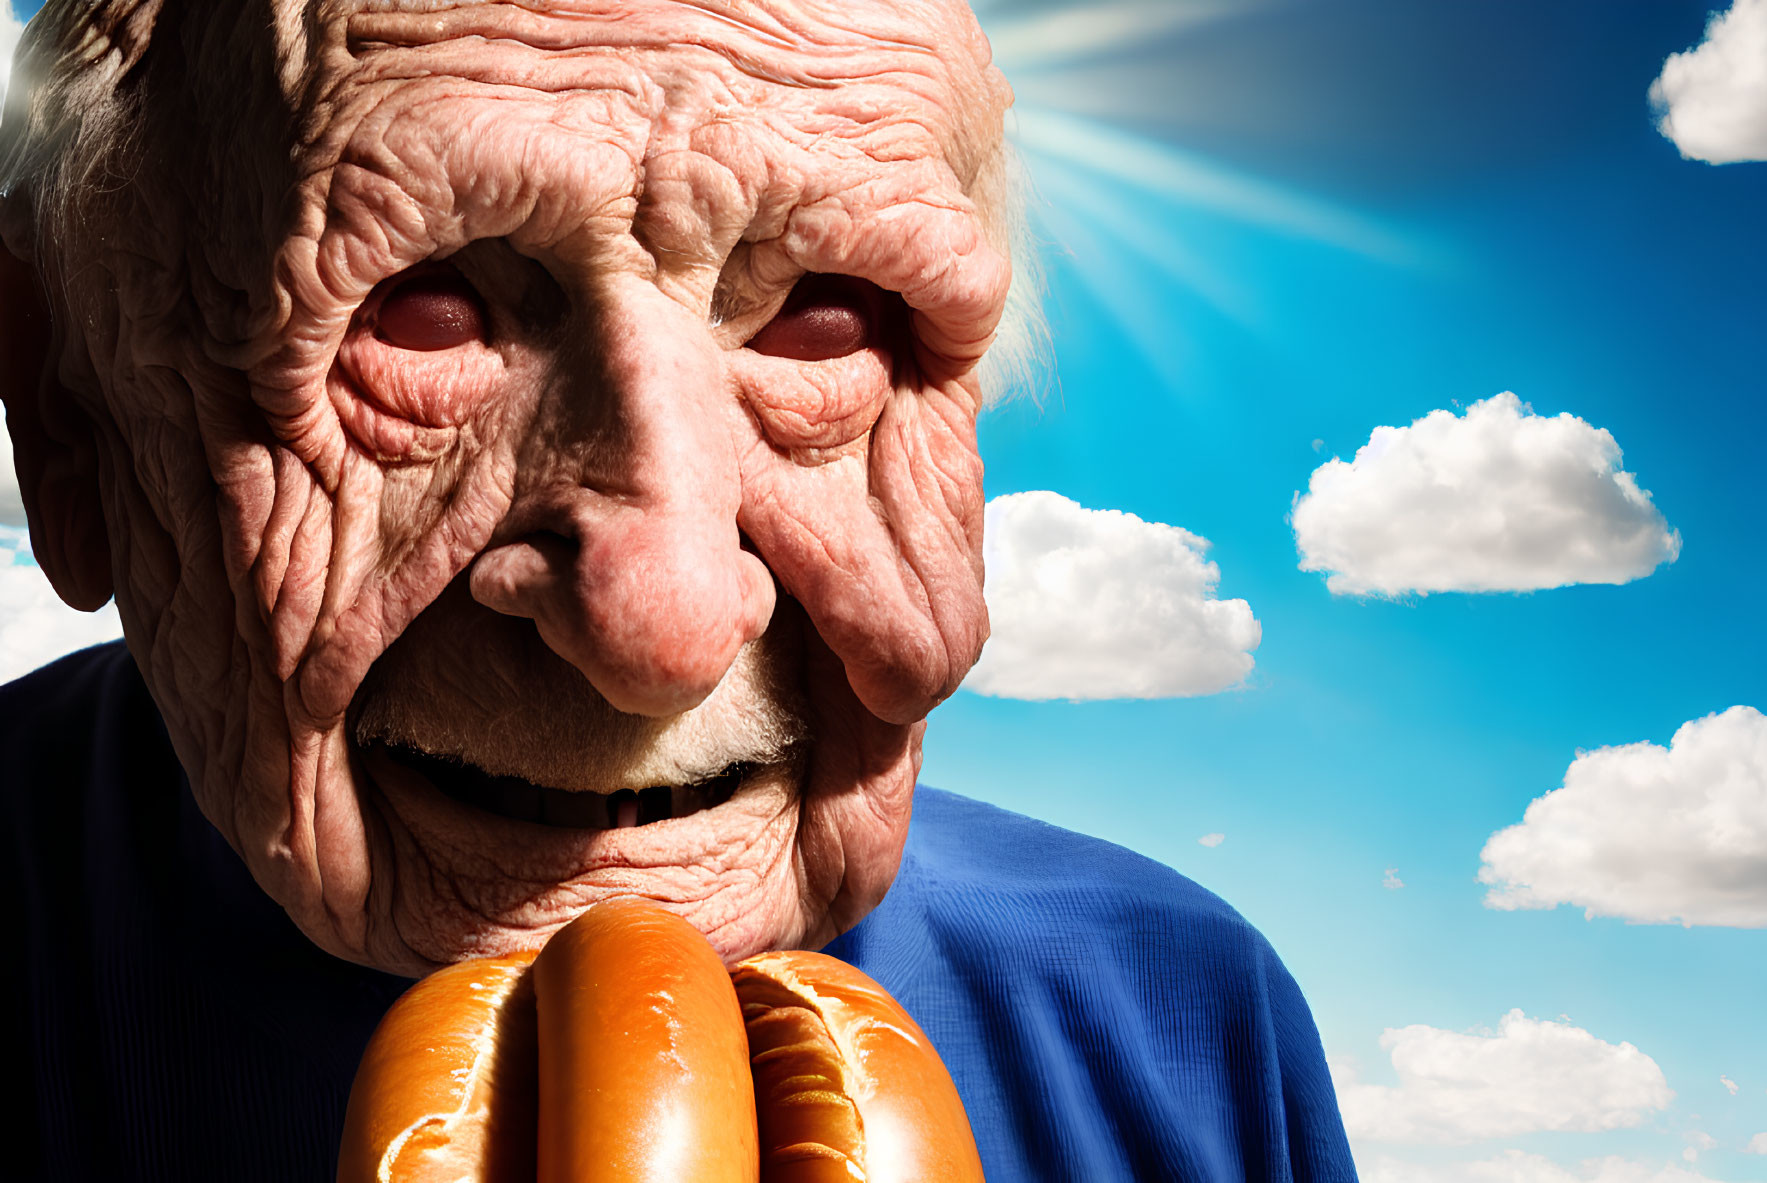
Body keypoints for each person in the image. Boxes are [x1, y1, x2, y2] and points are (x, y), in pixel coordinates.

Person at [0, 1, 1359, 1179]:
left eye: (822, 317)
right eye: (427, 312)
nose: (664, 633)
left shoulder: (1183, 1021)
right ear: (68, 413)